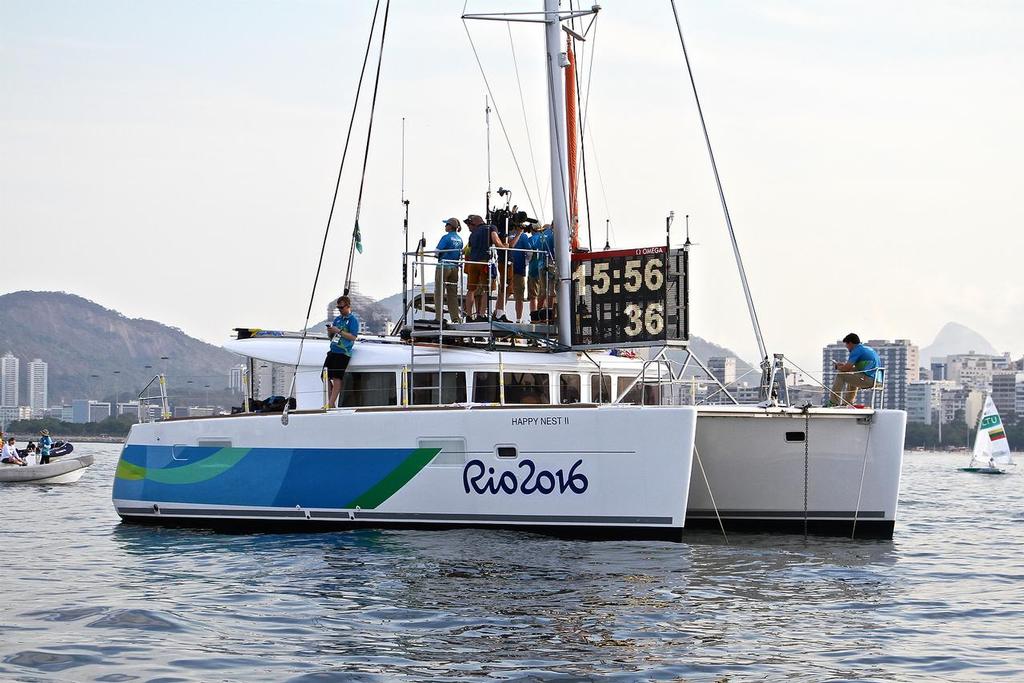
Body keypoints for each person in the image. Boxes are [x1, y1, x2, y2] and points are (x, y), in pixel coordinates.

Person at [464, 214, 503, 321]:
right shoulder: (491, 228)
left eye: (470, 224)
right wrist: (504, 247)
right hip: (484, 262)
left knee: (471, 290)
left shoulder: (472, 235)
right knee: (487, 289)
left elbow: (469, 249)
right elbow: (496, 240)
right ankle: (481, 315)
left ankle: (468, 315)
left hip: (473, 263)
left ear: (475, 223)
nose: (469, 227)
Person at [324, 295, 360, 408]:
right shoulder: (337, 319)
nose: (340, 310)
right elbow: (332, 336)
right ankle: (331, 402)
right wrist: (330, 331)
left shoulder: (353, 320)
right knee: (324, 377)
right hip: (333, 349)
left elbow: (353, 337)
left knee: (336, 378)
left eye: (341, 307)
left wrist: (338, 331)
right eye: (338, 307)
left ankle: (330, 403)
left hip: (343, 353)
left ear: (348, 306)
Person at [828, 333, 881, 407]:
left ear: (850, 343)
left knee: (841, 375)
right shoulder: (866, 349)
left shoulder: (856, 350)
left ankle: (833, 402)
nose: (847, 347)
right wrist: (844, 365)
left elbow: (846, 369)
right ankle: (848, 403)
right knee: (852, 375)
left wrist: (838, 367)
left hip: (869, 380)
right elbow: (855, 369)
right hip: (876, 380)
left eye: (846, 345)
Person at [435, 218, 464, 324]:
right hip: (455, 268)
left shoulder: (446, 237)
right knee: (453, 294)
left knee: (439, 292)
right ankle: (455, 317)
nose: (445, 226)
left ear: (450, 226)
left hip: (443, 266)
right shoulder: (460, 239)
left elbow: (437, 252)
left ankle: (439, 317)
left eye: (446, 224)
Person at [506, 222, 531, 323]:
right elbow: (529, 252)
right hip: (519, 268)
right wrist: (526, 263)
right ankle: (518, 319)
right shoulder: (523, 236)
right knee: (519, 296)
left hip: (507, 268)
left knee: (505, 293)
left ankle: (501, 314)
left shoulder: (505, 234)